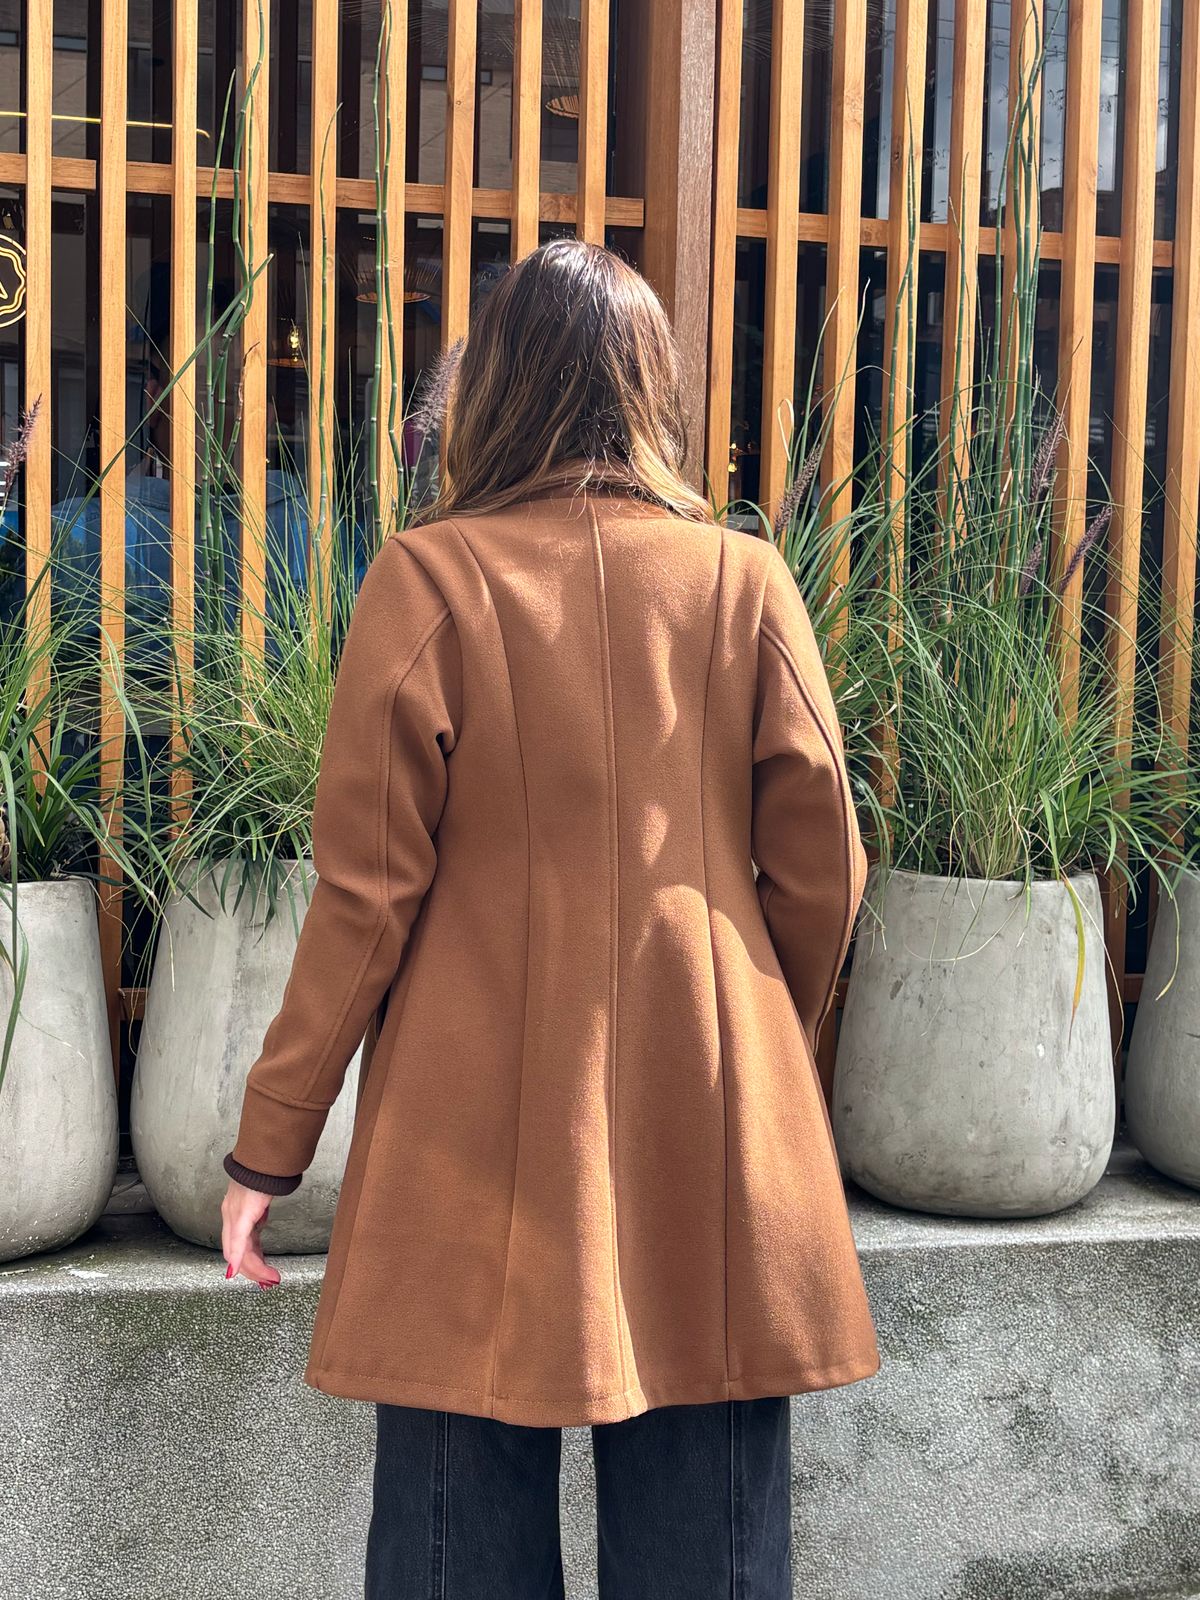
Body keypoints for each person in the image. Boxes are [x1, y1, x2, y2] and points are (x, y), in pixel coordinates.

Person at [220, 239, 879, 1599]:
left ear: (493, 389)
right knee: (711, 1556)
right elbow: (826, 868)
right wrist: (762, 1033)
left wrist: (268, 1148)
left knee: (455, 1552)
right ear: (653, 389)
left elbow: (364, 900)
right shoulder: (742, 582)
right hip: (709, 1111)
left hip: (468, 1131)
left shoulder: (429, 580)